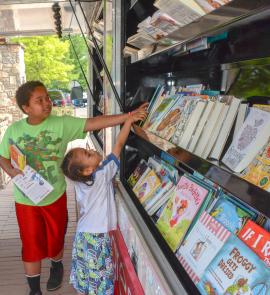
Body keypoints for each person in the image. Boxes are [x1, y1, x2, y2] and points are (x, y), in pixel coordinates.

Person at [0, 80, 147, 295]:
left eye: (48, 98)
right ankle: (34, 289)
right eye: (39, 100)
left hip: (54, 196)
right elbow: (3, 157)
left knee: (57, 237)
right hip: (25, 199)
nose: (47, 103)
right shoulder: (14, 130)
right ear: (26, 108)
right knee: (30, 243)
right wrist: (11, 171)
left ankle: (57, 265)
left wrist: (126, 117)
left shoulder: (61, 124)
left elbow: (94, 123)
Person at [61, 111, 147, 295]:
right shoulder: (102, 175)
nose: (92, 150)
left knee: (88, 278)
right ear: (88, 170)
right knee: (101, 278)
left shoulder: (81, 180)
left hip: (83, 235)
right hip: (97, 239)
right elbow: (119, 144)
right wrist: (129, 120)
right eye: (87, 153)